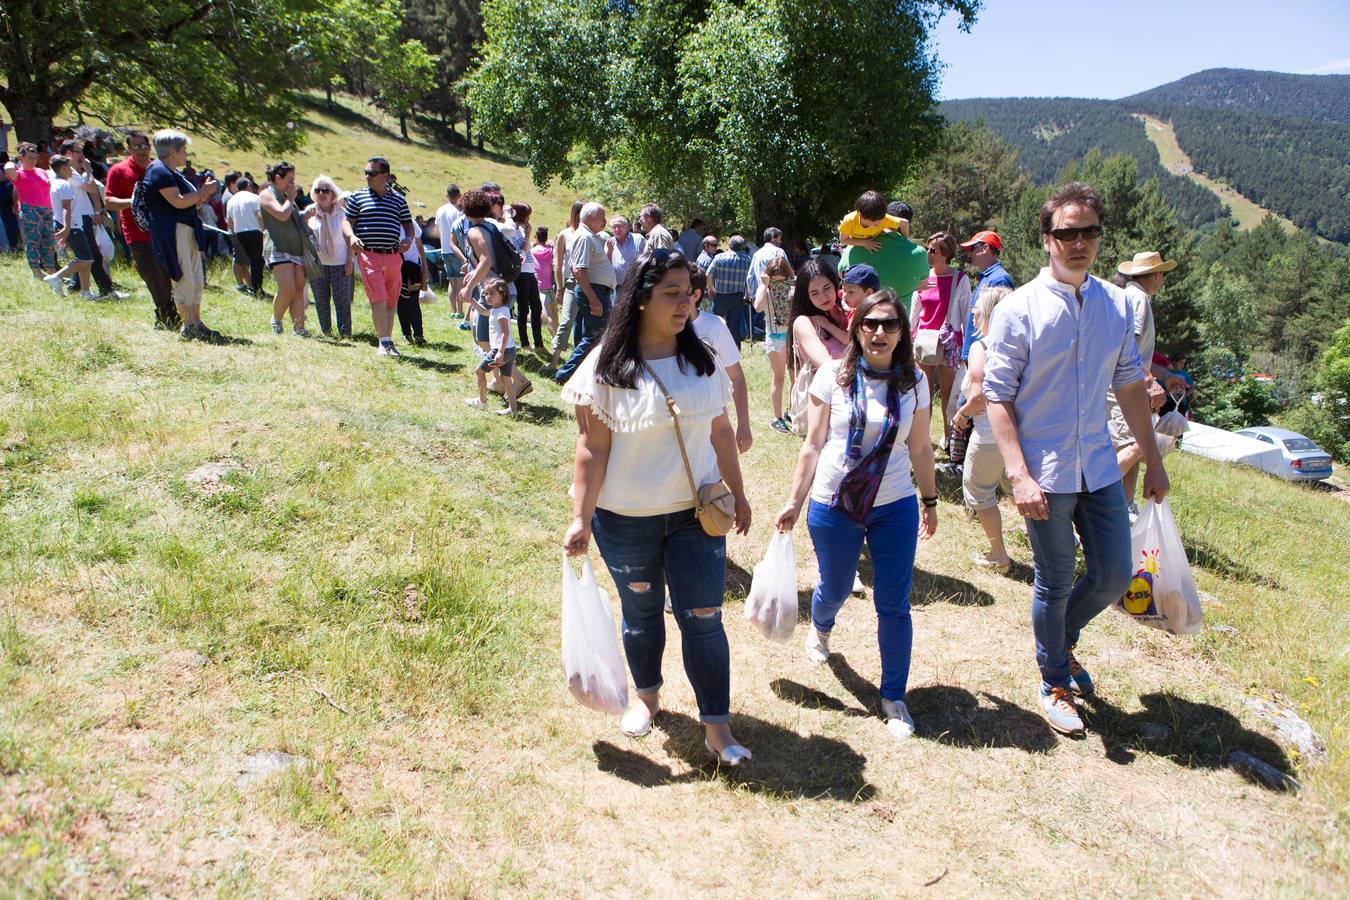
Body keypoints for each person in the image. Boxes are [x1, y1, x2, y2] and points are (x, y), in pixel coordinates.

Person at [982, 181, 1170, 736]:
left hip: (1100, 464)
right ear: (1047, 239)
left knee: (1113, 575)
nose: (1079, 242)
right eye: (1067, 232)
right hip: (1045, 470)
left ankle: (1060, 645)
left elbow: (1131, 384)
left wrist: (1153, 462)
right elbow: (997, 396)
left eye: (1089, 231)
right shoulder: (1019, 309)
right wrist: (1017, 475)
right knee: (1056, 579)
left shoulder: (1115, 306)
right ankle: (1053, 680)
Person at [561, 249, 753, 765]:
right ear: (640, 298)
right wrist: (581, 516)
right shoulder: (603, 368)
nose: (685, 303)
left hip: (696, 518)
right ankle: (647, 698)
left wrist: (739, 492)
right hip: (625, 522)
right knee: (641, 612)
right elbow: (592, 448)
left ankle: (718, 728)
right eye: (672, 292)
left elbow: (720, 432)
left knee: (705, 618)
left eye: (689, 292)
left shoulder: (702, 360)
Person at [774, 289, 938, 740]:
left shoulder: (915, 381)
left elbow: (921, 446)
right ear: (856, 328)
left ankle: (893, 695)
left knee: (893, 603)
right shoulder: (833, 375)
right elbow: (812, 445)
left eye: (889, 324)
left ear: (902, 331)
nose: (879, 332)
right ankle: (821, 628)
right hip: (834, 502)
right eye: (870, 323)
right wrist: (794, 500)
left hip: (894, 504)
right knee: (836, 586)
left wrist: (929, 500)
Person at [952, 285, 1014, 572]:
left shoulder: (982, 347)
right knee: (1016, 489)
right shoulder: (1020, 348)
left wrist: (962, 415)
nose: (973, 312)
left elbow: (979, 395)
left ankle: (998, 554)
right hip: (1019, 436)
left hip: (989, 434)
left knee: (979, 492)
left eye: (978, 307)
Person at [142, 129, 221, 341]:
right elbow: (177, 201)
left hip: (186, 227)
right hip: (173, 230)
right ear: (173, 151)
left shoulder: (173, 172)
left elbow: (192, 201)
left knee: (195, 276)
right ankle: (187, 325)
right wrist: (205, 190)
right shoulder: (159, 171)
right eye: (183, 149)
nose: (186, 154)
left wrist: (201, 193)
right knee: (184, 275)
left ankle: (195, 321)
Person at [1111, 251, 1174, 514]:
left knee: (1130, 445)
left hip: (1128, 385)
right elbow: (1128, 347)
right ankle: (1099, 498)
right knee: (1134, 447)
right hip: (1126, 388)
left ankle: (1123, 504)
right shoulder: (1137, 299)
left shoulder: (1133, 295)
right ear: (1157, 275)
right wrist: (1148, 381)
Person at [104, 131, 179, 330]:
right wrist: (133, 202)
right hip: (138, 233)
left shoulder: (159, 168)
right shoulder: (119, 170)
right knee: (151, 273)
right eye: (136, 146)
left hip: (165, 231)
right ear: (128, 149)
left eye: (144, 146)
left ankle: (173, 313)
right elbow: (109, 201)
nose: (141, 150)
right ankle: (165, 315)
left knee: (168, 272)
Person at [346, 156, 415, 356]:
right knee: (379, 297)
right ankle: (383, 342)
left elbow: (408, 226)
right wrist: (351, 236)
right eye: (366, 173)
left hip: (393, 255)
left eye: (372, 173)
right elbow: (346, 221)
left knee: (391, 301)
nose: (367, 176)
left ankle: (388, 340)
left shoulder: (399, 200)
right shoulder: (358, 196)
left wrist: (408, 239)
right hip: (369, 253)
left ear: (385, 176)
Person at [910, 232, 970, 445]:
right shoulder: (923, 278)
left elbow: (966, 315)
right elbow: (914, 313)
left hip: (949, 343)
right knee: (923, 394)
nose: (928, 253)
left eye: (933, 250)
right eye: (927, 248)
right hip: (924, 342)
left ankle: (948, 437)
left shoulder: (959, 279)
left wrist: (966, 350)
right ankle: (922, 439)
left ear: (945, 254)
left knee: (948, 393)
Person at [688, 267, 752, 454]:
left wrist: (744, 425)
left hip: (713, 424)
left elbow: (736, 377)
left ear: (695, 295)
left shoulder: (714, 325)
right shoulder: (661, 330)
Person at [956, 230, 1015, 425]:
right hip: (974, 352)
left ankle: (965, 453)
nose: (969, 254)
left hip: (983, 356)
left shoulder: (999, 279)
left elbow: (999, 324)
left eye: (973, 248)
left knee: (967, 411)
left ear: (986, 248)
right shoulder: (986, 277)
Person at [553, 202, 617, 383]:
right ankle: (565, 374)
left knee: (593, 336)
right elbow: (578, 270)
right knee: (596, 336)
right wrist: (594, 300)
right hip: (594, 292)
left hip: (598, 292)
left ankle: (578, 374)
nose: (605, 222)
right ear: (590, 218)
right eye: (602, 217)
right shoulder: (584, 237)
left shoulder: (590, 236)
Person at [59, 139, 124, 299]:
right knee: (91, 255)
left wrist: (96, 211)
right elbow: (91, 187)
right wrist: (89, 170)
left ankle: (79, 287)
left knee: (88, 254)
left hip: (85, 217)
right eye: (77, 151)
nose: (81, 155)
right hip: (77, 219)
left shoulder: (77, 172)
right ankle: (105, 290)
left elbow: (93, 192)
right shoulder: (69, 172)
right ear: (67, 154)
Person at [258, 161, 310, 336]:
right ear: (277, 178)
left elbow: (291, 216)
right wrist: (290, 198)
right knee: (287, 288)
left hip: (296, 248)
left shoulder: (288, 196)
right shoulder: (266, 194)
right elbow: (281, 214)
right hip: (278, 246)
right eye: (290, 179)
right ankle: (276, 319)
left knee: (299, 288)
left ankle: (299, 328)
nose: (292, 183)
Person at [305, 174, 355, 338]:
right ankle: (326, 331)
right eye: (317, 190)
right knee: (321, 300)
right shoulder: (309, 212)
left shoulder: (342, 213)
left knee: (342, 300)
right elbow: (303, 237)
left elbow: (349, 239)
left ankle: (345, 332)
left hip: (340, 263)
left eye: (325, 190)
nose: (321, 193)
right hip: (317, 264)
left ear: (332, 193)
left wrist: (350, 260)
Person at [752, 255, 796, 432]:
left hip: (792, 335)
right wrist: (764, 284)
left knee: (795, 377)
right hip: (775, 337)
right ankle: (777, 418)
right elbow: (757, 307)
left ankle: (792, 411)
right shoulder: (765, 287)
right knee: (779, 377)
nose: (779, 284)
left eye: (782, 280)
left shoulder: (793, 285)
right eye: (775, 280)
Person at [466, 277, 520, 415]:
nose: (487, 296)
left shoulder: (501, 312)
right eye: (486, 294)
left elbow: (505, 333)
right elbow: (483, 311)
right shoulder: (497, 309)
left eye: (491, 294)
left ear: (502, 294)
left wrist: (499, 352)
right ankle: (513, 409)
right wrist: (472, 301)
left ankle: (482, 402)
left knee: (480, 371)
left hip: (500, 351)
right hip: (509, 350)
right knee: (507, 379)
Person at [5, 143, 59, 279]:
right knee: (33, 242)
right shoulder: (19, 174)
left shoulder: (41, 171)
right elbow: (8, 168)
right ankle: (37, 273)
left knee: (48, 242)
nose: (33, 160)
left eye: (35, 158)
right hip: (30, 209)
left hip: (47, 209)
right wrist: (13, 162)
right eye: (30, 158)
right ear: (21, 158)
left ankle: (52, 272)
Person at [46, 155, 95, 296]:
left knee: (85, 259)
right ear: (62, 169)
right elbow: (66, 208)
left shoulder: (56, 183)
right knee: (87, 259)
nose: (71, 171)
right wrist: (66, 228)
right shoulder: (64, 185)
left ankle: (85, 291)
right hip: (70, 226)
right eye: (69, 168)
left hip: (71, 224)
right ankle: (56, 277)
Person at [548, 200, 585, 368]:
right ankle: (554, 359)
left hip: (591, 282)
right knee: (567, 320)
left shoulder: (593, 234)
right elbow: (558, 263)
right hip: (572, 281)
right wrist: (560, 288)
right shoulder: (564, 235)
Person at [704, 235, 754, 348]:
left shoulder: (720, 257)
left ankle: (712, 346)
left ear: (729, 245)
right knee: (734, 325)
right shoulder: (747, 259)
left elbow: (708, 274)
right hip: (738, 297)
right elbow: (749, 280)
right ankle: (735, 349)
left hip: (720, 297)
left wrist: (710, 288)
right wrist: (747, 294)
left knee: (715, 323)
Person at [508, 201, 545, 350]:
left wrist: (527, 235)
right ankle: (525, 342)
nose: (528, 219)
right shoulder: (510, 230)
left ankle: (539, 343)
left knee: (537, 308)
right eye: (527, 215)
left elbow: (528, 249)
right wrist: (528, 235)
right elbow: (519, 253)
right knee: (523, 309)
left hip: (530, 271)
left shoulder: (522, 231)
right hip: (520, 273)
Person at [225, 178, 265, 296]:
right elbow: (259, 216)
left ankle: (250, 285)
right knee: (257, 261)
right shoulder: (254, 198)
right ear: (248, 185)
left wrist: (234, 233)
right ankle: (256, 288)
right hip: (255, 231)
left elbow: (230, 221)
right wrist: (264, 231)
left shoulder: (231, 200)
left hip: (239, 233)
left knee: (245, 260)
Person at [396, 216, 430, 345]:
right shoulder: (388, 222)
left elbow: (420, 246)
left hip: (413, 268)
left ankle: (419, 335)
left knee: (413, 302)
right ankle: (406, 334)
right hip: (397, 267)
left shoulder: (411, 223)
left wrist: (424, 269)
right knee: (400, 302)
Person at [435, 184, 467, 319]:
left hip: (444, 249)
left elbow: (436, 231)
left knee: (451, 281)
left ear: (446, 195)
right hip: (457, 249)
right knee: (460, 281)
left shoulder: (440, 210)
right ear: (459, 196)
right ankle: (460, 310)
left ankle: (453, 310)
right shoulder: (459, 212)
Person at [838, 190, 907, 251]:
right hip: (857, 245)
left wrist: (905, 241)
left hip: (877, 242)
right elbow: (843, 240)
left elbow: (904, 223)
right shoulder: (849, 220)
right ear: (860, 215)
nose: (879, 222)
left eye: (881, 218)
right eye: (874, 220)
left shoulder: (884, 219)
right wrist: (865, 243)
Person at [605, 214, 646, 288]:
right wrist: (610, 251)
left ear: (627, 227)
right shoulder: (609, 243)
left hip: (636, 285)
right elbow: (606, 264)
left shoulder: (638, 239)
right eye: (614, 227)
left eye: (619, 226)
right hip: (617, 286)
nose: (617, 229)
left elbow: (647, 259)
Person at [532, 226, 555, 340]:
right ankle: (555, 336)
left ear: (536, 237)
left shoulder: (532, 251)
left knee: (545, 313)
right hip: (551, 285)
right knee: (552, 313)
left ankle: (554, 337)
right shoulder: (551, 250)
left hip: (538, 286)